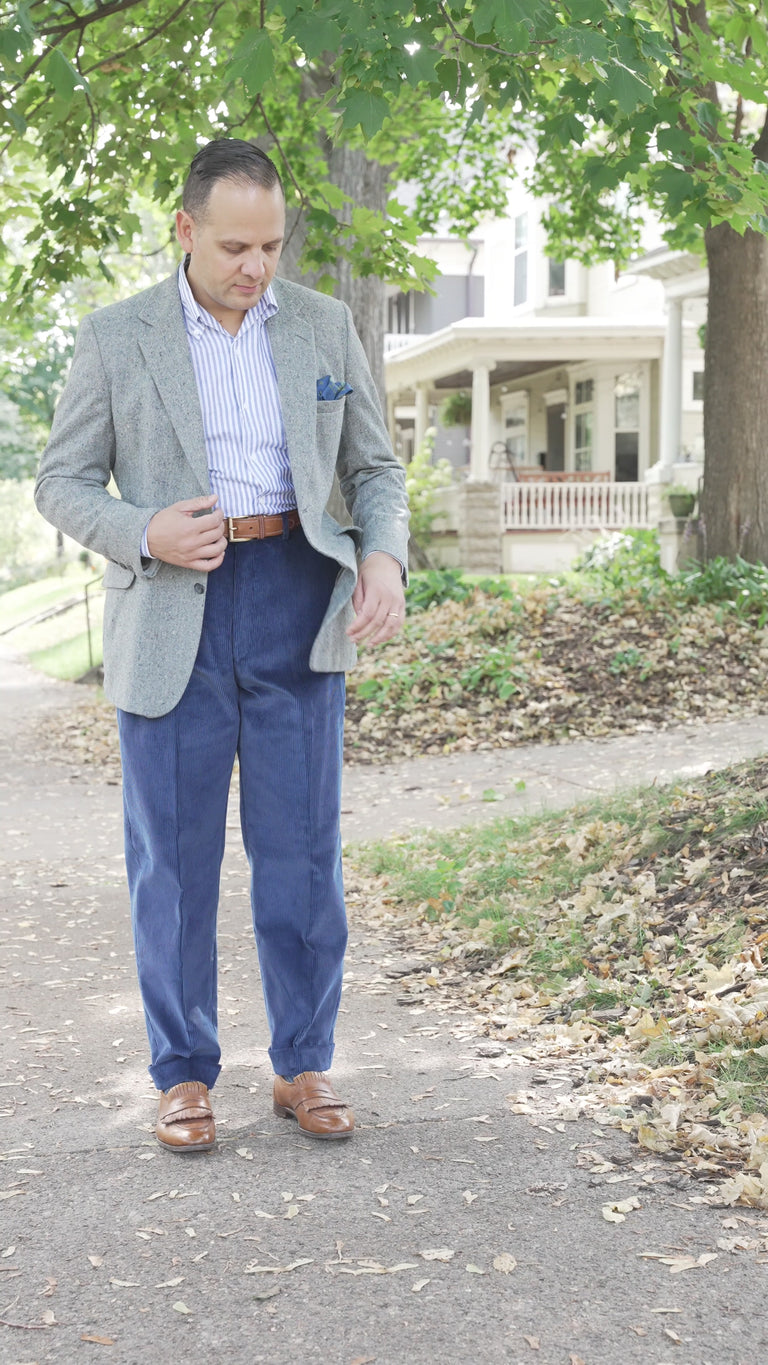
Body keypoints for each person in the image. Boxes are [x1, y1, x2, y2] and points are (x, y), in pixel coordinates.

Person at [35, 138, 409, 1153]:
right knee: (175, 857)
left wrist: (383, 560)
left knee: (303, 853)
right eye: (237, 245)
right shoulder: (118, 338)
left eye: (273, 246)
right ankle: (183, 1073)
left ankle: (302, 1064)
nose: (256, 267)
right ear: (187, 230)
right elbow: (60, 482)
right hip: (170, 607)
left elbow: (375, 471)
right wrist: (143, 530)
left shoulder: (326, 328)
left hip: (296, 597)